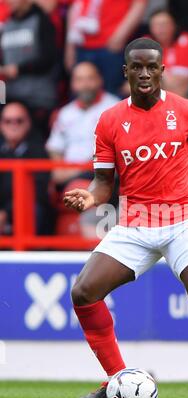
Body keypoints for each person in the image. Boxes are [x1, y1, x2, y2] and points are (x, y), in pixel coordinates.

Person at [64, 38, 188, 398]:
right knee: (83, 291)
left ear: (162, 70)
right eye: (136, 66)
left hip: (184, 217)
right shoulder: (108, 120)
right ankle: (116, 379)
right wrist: (90, 198)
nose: (143, 73)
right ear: (125, 71)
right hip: (136, 221)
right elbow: (103, 181)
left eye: (151, 67)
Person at [47, 62, 119, 190]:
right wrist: (59, 169)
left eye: (90, 79)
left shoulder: (114, 108)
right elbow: (55, 148)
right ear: (73, 84)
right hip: (68, 174)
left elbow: (116, 152)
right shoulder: (65, 113)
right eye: (79, 80)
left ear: (100, 80)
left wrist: (74, 171)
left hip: (100, 174)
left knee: (78, 188)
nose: (85, 85)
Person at [65, 0, 148, 95]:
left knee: (112, 95)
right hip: (81, 45)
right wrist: (70, 46)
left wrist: (120, 35)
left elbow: (139, 4)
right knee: (81, 95)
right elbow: (74, 7)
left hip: (110, 47)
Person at [0, 0, 57, 136]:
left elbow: (49, 58)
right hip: (12, 96)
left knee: (35, 143)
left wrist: (20, 69)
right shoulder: (7, 24)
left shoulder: (42, 20)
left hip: (38, 98)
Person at [0, 102, 53, 235]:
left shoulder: (39, 152)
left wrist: (6, 212)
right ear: (1, 125)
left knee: (33, 209)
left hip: (25, 211)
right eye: (8, 121)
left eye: (19, 121)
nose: (13, 125)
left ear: (28, 123)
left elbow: (38, 192)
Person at [149, 9, 188, 96]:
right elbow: (133, 83)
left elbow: (181, 83)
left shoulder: (185, 41)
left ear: (174, 26)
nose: (161, 29)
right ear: (151, 28)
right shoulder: (146, 43)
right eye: (157, 25)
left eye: (164, 24)